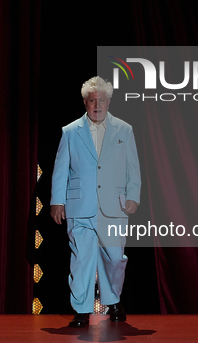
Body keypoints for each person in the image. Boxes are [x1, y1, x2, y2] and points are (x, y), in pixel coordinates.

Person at [50, 76, 141, 327]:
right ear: (85, 102)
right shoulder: (70, 132)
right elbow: (61, 169)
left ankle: (113, 300)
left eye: (101, 100)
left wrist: (133, 195)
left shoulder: (124, 129)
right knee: (81, 259)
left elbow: (132, 166)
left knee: (114, 259)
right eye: (92, 100)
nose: (97, 105)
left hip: (113, 207)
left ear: (109, 102)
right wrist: (57, 201)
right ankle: (81, 308)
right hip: (80, 206)